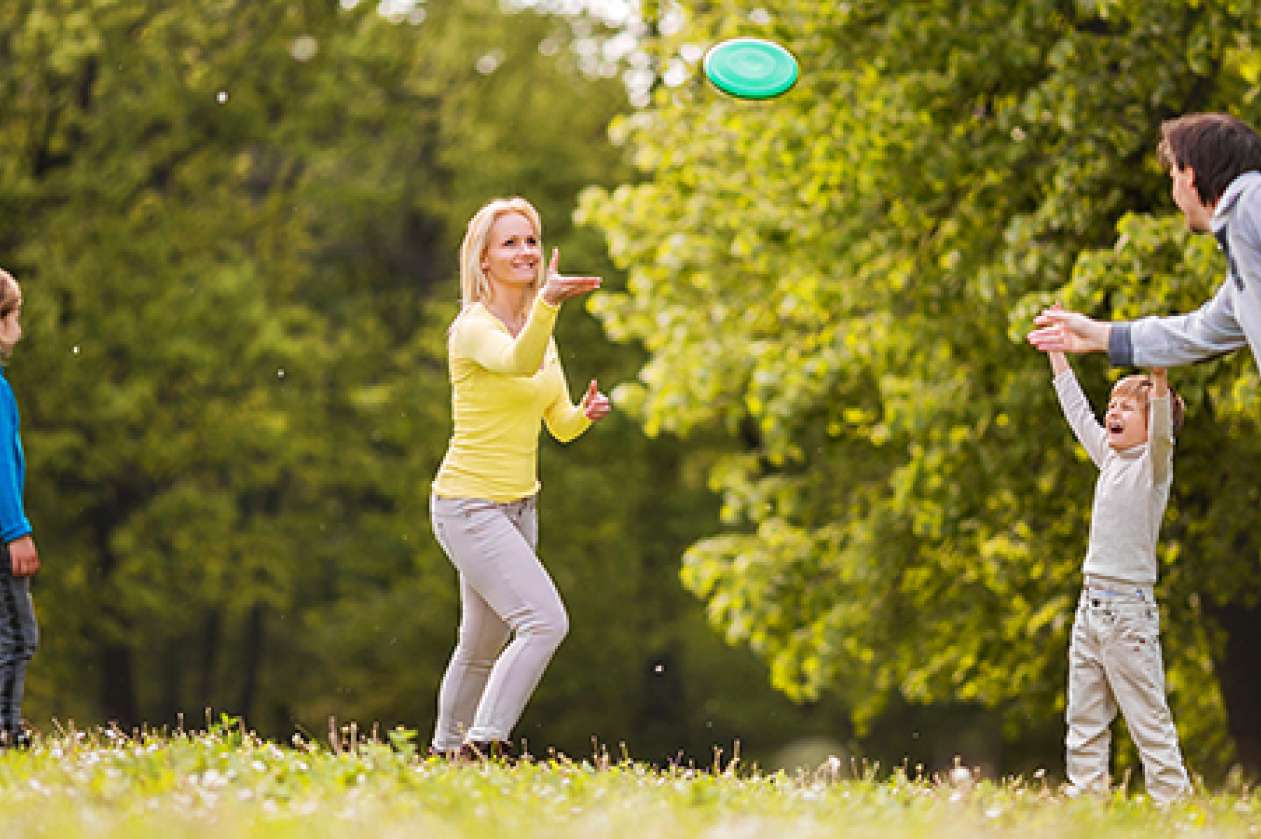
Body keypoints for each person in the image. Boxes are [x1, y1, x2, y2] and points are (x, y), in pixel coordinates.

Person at [428, 197, 610, 759]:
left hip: (519, 508)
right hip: (468, 506)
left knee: (483, 644)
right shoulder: (472, 329)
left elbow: (557, 425)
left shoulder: (539, 331)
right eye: (510, 242)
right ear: (483, 260)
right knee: (544, 622)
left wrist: (585, 415)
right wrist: (549, 306)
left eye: (531, 240)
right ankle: (482, 745)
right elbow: (517, 363)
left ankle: (442, 755)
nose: (525, 251)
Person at [1040, 333, 1191, 803]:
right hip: (1091, 609)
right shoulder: (1108, 458)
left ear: (1151, 424)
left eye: (1128, 408)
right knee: (1083, 720)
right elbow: (1077, 414)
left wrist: (1160, 382)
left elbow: (1163, 435)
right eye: (1113, 405)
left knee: (1148, 720)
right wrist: (1058, 357)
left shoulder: (1153, 469)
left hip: (1129, 616)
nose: (1114, 413)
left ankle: (1175, 808)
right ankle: (1087, 805)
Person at [1028, 112, 1261, 368]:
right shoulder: (1243, 264)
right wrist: (1099, 335)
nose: (1174, 194)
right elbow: (1197, 334)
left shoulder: (1250, 200)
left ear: (1190, 176)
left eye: (1173, 177)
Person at [0, 269, 38, 749]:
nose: (18, 330)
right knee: (18, 634)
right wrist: (16, 530)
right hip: (1, 536)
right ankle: (5, 728)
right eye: (12, 317)